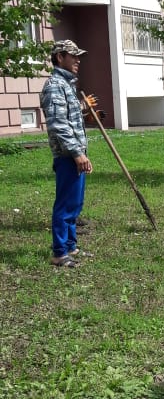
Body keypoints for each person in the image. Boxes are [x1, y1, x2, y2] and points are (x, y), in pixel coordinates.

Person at [40, 40, 94, 268]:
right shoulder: (54, 86)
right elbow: (58, 125)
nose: (78, 60)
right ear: (60, 57)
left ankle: (70, 246)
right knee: (65, 205)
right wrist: (76, 153)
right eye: (73, 56)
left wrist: (85, 115)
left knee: (75, 203)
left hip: (76, 154)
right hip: (67, 156)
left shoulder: (67, 85)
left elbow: (70, 119)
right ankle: (59, 253)